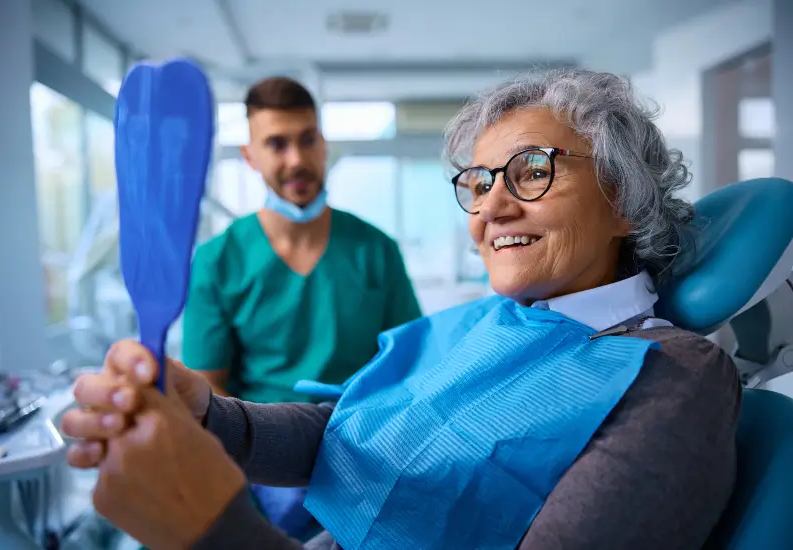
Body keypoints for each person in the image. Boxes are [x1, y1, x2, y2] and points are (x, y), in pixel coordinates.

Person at [63, 69, 741, 550]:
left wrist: (214, 530)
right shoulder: (488, 321)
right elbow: (354, 427)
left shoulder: (677, 379)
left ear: (622, 197)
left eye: (532, 171)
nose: (491, 207)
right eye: (477, 183)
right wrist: (209, 414)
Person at [181, 76, 422, 537]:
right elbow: (207, 398)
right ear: (250, 156)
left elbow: (409, 370)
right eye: (276, 144)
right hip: (258, 458)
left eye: (307, 139)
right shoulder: (217, 262)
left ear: (323, 144)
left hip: (362, 452)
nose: (296, 159)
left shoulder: (375, 250)